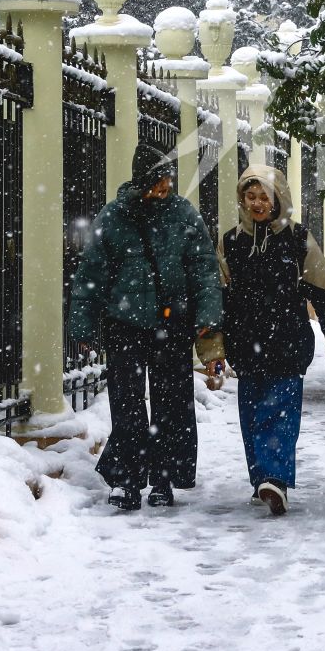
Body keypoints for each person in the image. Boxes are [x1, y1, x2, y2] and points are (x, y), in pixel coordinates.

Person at [69, 143, 222, 512]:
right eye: (158, 181)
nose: (165, 188)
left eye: (168, 180)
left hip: (173, 322)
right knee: (127, 403)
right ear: (142, 182)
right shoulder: (114, 217)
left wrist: (207, 317)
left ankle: (164, 478)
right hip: (125, 324)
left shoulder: (183, 215)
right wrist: (84, 325)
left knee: (171, 403)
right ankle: (127, 479)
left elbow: (203, 268)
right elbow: (92, 273)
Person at [211, 165, 325, 516]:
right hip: (245, 344)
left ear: (278, 200)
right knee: (252, 416)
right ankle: (262, 480)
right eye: (251, 196)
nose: (257, 203)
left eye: (265, 197)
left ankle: (275, 478)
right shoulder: (230, 242)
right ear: (242, 199)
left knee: (280, 415)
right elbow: (216, 299)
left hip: (288, 343)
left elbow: (324, 293)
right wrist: (213, 346)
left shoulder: (298, 241)